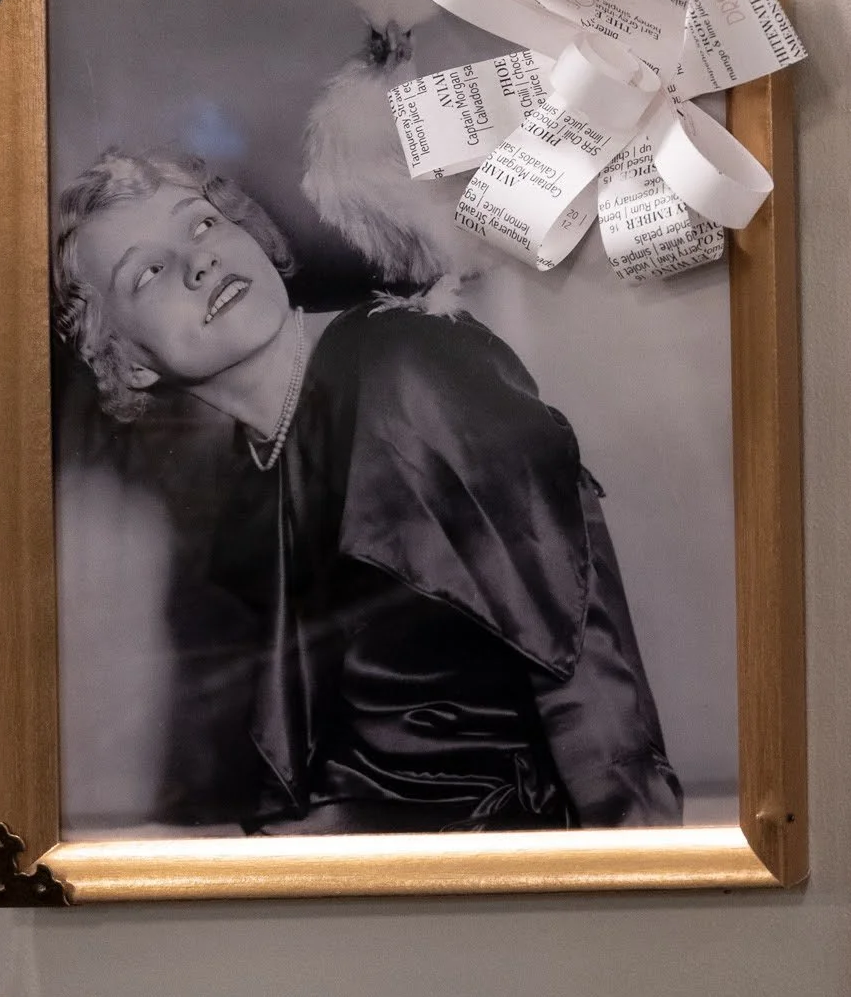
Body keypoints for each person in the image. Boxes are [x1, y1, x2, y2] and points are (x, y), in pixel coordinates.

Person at [51, 151, 684, 834]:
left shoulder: (408, 365)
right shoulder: (254, 470)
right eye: (148, 272)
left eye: (202, 226)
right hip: (384, 865)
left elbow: (576, 648)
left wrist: (637, 872)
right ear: (129, 362)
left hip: (501, 857)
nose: (197, 262)